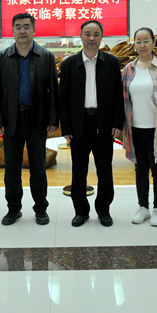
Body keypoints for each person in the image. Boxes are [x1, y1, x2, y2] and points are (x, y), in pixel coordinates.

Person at [0, 12, 59, 226]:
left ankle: (41, 208)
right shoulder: (2, 57)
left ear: (34, 30)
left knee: (38, 168)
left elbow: (53, 90)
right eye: (18, 27)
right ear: (12, 31)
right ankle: (13, 209)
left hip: (37, 119)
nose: (22, 30)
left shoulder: (46, 56)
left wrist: (53, 119)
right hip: (10, 120)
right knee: (11, 169)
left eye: (26, 26)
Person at [59, 20, 123, 228]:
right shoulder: (69, 64)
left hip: (103, 124)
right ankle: (81, 211)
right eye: (87, 33)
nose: (92, 38)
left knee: (105, 170)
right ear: (81, 36)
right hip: (79, 125)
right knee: (79, 171)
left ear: (101, 37)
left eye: (96, 34)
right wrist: (66, 128)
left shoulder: (111, 63)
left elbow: (118, 96)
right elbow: (63, 99)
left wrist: (117, 123)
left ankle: (104, 210)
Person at [122, 27, 157, 227]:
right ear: (134, 44)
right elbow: (124, 100)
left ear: (153, 43)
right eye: (138, 41)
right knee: (140, 169)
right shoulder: (129, 69)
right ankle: (143, 207)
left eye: (146, 41)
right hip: (135, 128)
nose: (142, 45)